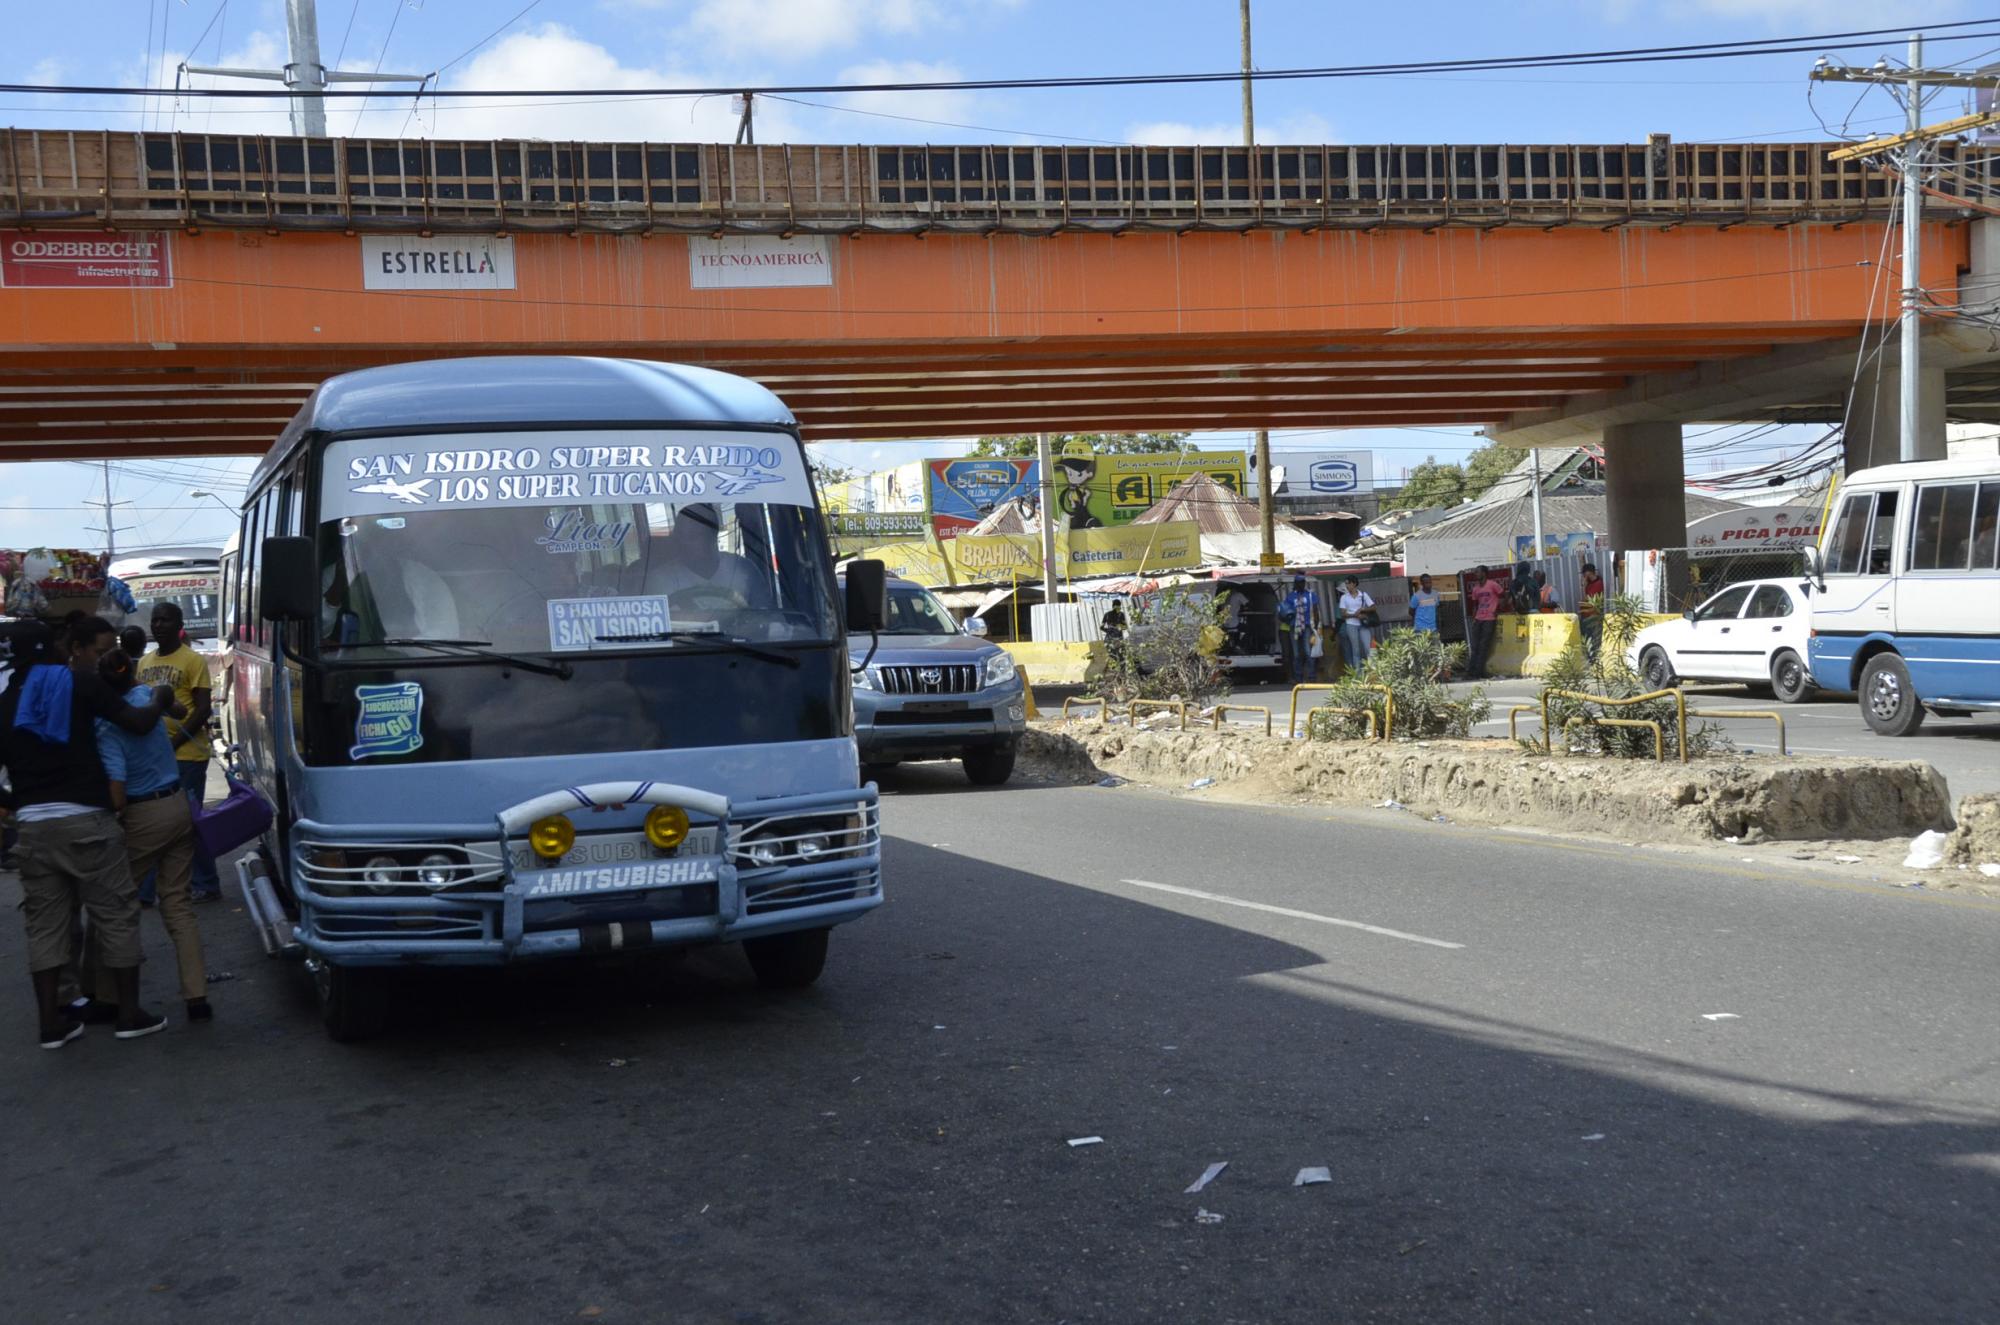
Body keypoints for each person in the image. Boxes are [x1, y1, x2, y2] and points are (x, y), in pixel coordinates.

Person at [0, 616, 173, 1048]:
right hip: (87, 820)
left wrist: (15, 805)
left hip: (34, 826)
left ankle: (50, 1025)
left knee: (45, 926)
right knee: (115, 913)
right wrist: (160, 700)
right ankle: (129, 1014)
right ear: (55, 646)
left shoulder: (5, 702)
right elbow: (136, 722)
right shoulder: (78, 683)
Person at [86, 646, 213, 1025]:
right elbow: (172, 703)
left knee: (113, 906)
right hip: (177, 803)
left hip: (143, 815)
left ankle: (108, 996)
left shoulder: (107, 729)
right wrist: (166, 703)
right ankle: (197, 996)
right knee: (178, 904)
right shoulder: (145, 696)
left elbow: (117, 795)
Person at [139, 603, 220, 903]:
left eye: (165, 620)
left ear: (179, 624)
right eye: (155, 620)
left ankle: (207, 882)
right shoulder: (144, 663)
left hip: (187, 757)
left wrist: (173, 745)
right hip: (154, 759)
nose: (159, 625)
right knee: (154, 823)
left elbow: (203, 708)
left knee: (189, 822)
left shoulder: (192, 660)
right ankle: (149, 890)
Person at [1277, 575, 1322, 683]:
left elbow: (1315, 610)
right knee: (1296, 653)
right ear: (1295, 584)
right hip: (1294, 626)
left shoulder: (1310, 595)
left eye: (1302, 582)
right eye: (1298, 582)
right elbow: (1285, 611)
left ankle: (1311, 676)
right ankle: (1298, 678)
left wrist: (1316, 627)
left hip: (1307, 625)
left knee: (1308, 651)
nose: (1300, 584)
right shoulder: (1291, 596)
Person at [1463, 567, 1505, 680]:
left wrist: (1497, 609)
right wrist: (1474, 618)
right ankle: (1471, 671)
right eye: (1475, 572)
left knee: (1483, 646)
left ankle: (1478, 672)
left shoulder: (1493, 585)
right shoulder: (1476, 589)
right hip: (1479, 618)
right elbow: (1475, 604)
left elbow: (1502, 595)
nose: (1475, 574)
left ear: (1484, 573)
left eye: (1478, 572)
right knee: (1475, 646)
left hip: (1489, 619)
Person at [1336, 576, 1375, 674]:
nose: (1347, 586)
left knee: (1367, 648)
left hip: (1363, 625)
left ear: (1354, 584)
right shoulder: (1344, 597)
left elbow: (1373, 607)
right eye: (1346, 584)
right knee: (1355, 650)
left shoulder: (1363, 595)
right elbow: (1343, 614)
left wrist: (1362, 610)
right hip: (1351, 625)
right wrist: (1355, 615)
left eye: (1348, 583)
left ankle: (1372, 672)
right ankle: (1358, 675)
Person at [1578, 562, 1607, 660]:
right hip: (1585, 615)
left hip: (1592, 616)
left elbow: (1587, 599)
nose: (1583, 577)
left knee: (1593, 639)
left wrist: (1583, 586)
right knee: (1586, 639)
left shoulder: (1598, 584)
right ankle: (1589, 657)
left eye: (1584, 574)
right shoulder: (1590, 584)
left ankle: (1594, 659)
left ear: (1589, 573)